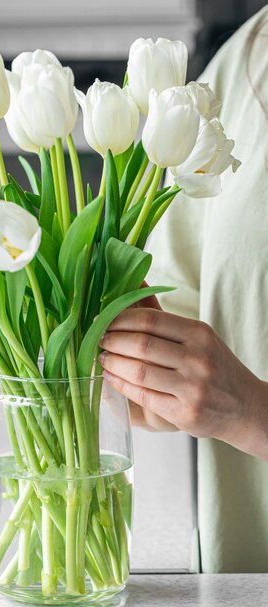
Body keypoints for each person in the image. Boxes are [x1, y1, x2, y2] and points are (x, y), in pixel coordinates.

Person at [100, 5, 268, 573]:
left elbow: (236, 403)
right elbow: (201, 337)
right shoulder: (244, 62)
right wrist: (142, 377)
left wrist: (253, 413)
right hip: (247, 588)